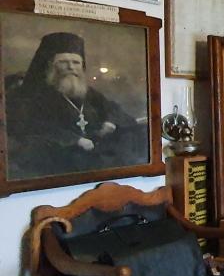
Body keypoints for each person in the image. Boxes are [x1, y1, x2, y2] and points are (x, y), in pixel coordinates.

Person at [5, 32, 144, 178]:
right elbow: (27, 127)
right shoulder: (29, 94)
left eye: (76, 62)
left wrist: (110, 122)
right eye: (63, 62)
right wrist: (73, 140)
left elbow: (114, 110)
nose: (71, 67)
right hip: (55, 164)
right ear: (50, 65)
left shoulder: (88, 93)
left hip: (91, 160)